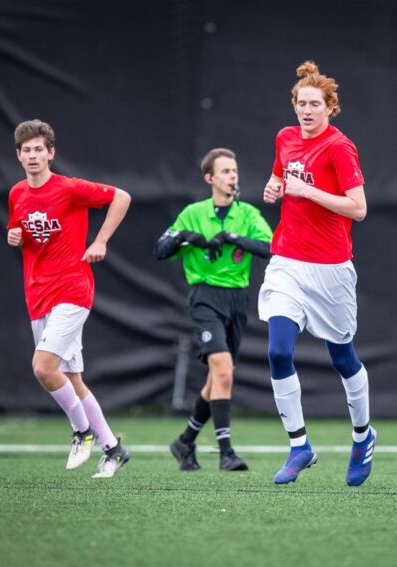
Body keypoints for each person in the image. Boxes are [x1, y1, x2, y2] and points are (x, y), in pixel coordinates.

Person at [260, 61, 375, 487]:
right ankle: (299, 446)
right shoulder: (285, 137)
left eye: (315, 104)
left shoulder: (340, 148)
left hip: (331, 270)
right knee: (277, 351)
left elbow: (358, 208)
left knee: (342, 358)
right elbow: (278, 178)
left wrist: (308, 190)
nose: (307, 111)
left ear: (330, 108)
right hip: (287, 261)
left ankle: (362, 437)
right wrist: (273, 188)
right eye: (301, 104)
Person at [7, 119, 132, 478]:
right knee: (72, 379)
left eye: (38, 150)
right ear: (19, 156)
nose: (33, 156)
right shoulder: (17, 193)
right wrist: (15, 237)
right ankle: (114, 449)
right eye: (26, 151)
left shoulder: (70, 188)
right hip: (38, 295)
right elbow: (21, 230)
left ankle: (83, 432)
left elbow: (121, 197)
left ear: (51, 153)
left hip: (73, 289)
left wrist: (101, 240)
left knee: (43, 367)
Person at [155, 148, 273, 472]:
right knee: (223, 370)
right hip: (206, 297)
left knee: (219, 376)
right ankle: (226, 453)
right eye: (225, 172)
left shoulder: (246, 214)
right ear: (210, 179)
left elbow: (270, 247)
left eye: (234, 171)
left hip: (237, 300)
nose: (232, 176)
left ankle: (185, 442)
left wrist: (234, 237)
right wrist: (185, 237)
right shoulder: (193, 213)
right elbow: (161, 249)